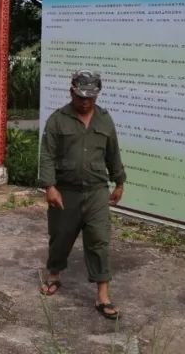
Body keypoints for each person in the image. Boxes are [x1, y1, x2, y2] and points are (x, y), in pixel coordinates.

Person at [37, 70, 126, 320]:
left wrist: (119, 181)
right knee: (61, 236)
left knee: (99, 239)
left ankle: (103, 295)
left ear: (97, 96)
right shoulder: (58, 120)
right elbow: (47, 155)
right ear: (71, 92)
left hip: (97, 190)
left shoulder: (105, 120)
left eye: (90, 97)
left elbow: (113, 153)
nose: (85, 102)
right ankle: (54, 275)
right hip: (66, 190)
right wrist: (49, 186)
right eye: (80, 97)